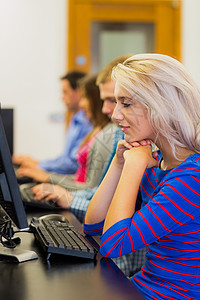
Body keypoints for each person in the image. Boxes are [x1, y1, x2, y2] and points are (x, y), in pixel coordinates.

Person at [83, 53, 200, 299]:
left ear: (162, 106)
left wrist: (133, 167)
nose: (115, 115)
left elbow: (114, 245)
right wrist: (118, 163)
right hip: (143, 286)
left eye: (126, 103)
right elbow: (92, 226)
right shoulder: (159, 164)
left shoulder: (191, 178)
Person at [31, 55, 147, 278]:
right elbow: (96, 222)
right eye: (113, 101)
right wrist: (120, 163)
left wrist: (61, 190)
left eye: (123, 103)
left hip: (129, 267)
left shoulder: (180, 171)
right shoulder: (124, 141)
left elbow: (119, 242)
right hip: (124, 262)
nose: (111, 112)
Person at [13, 71, 92, 175]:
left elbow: (73, 164)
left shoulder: (87, 121)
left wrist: (38, 166)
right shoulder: (75, 118)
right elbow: (65, 159)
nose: (62, 98)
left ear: (79, 92)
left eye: (65, 92)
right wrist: (37, 163)